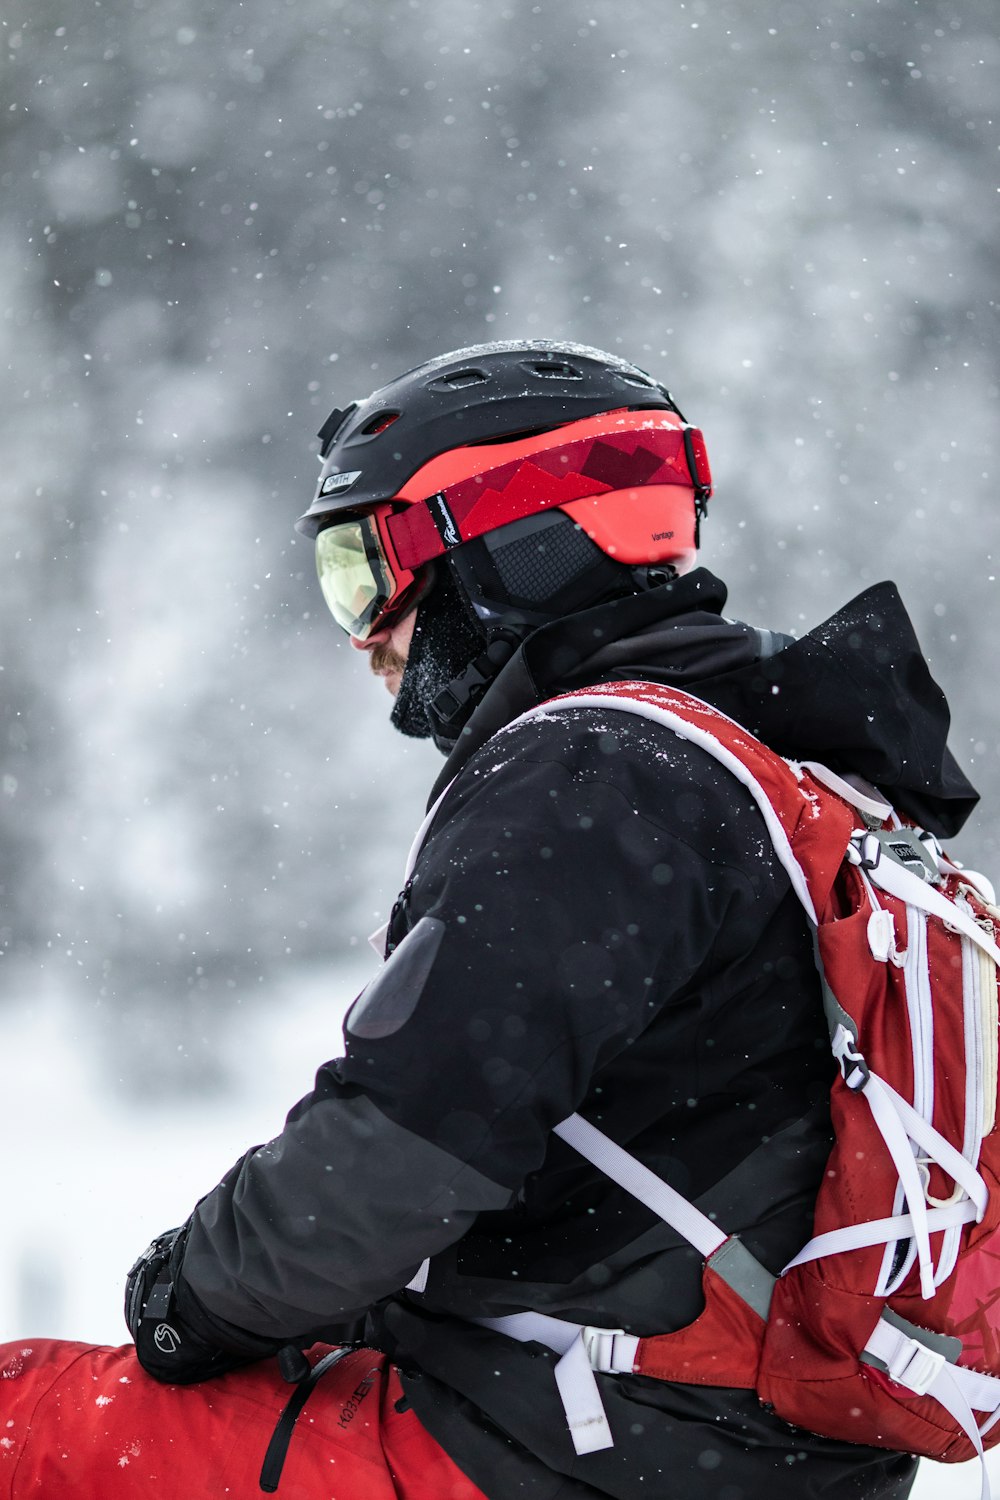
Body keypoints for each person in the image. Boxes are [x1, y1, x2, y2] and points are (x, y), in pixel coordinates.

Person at [1, 340, 979, 1499]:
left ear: (506, 544)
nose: (367, 639)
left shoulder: (595, 776)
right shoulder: (787, 777)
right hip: (745, 1451)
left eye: (364, 577)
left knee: (29, 1426)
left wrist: (185, 1300)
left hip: (557, 1447)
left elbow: (393, 1159)